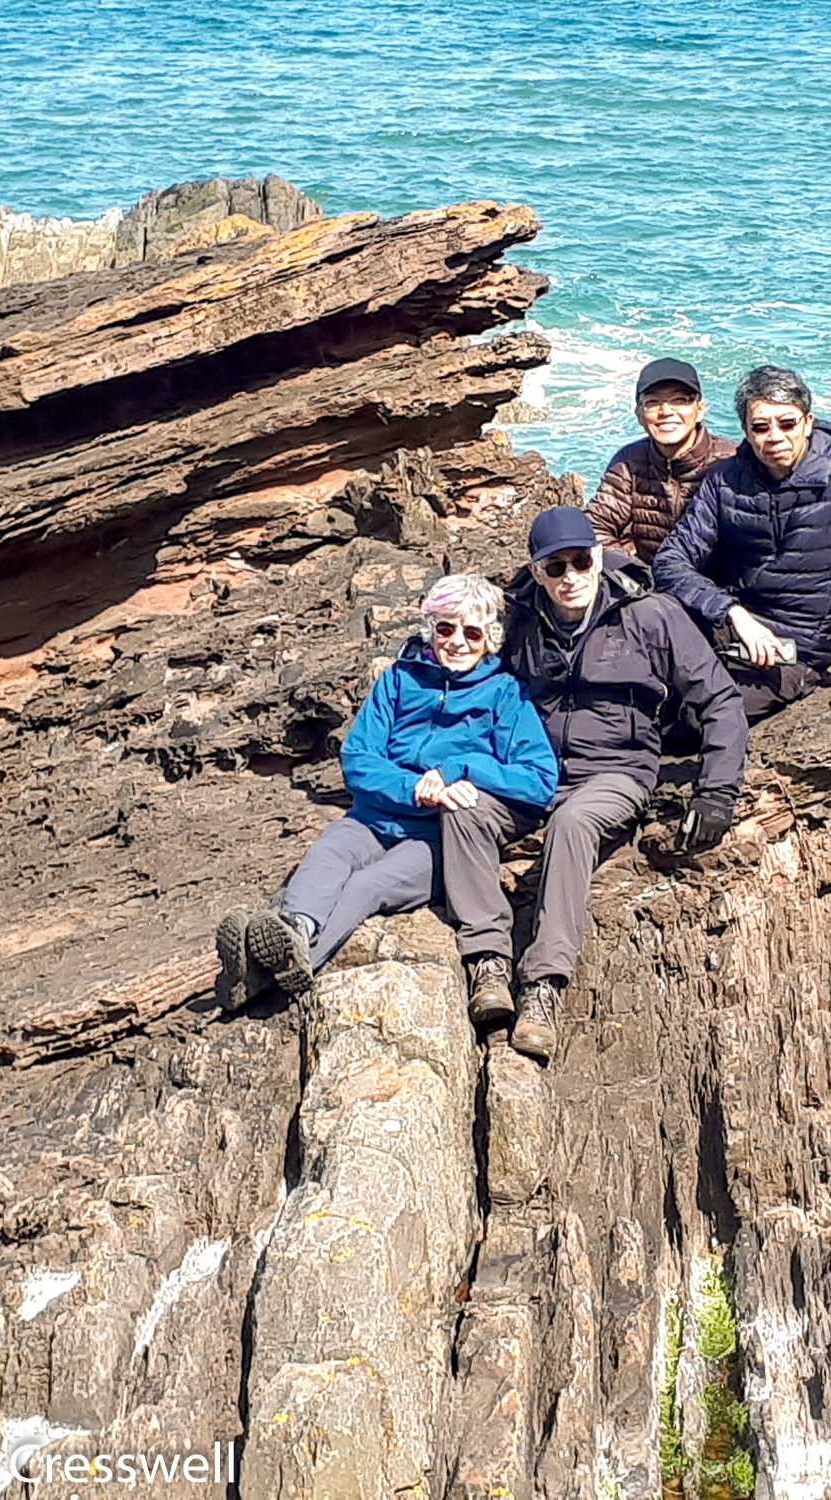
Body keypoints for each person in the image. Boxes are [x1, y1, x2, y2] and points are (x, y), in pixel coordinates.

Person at [441, 506, 748, 1062]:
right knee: (463, 813)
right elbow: (456, 666)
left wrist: (716, 791)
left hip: (617, 772)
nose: (570, 577)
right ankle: (487, 957)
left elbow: (720, 700)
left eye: (581, 562)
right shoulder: (515, 621)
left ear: (599, 559)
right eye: (554, 567)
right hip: (531, 772)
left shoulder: (650, 616)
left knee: (574, 822)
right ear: (536, 572)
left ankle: (543, 985)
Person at [216, 574, 557, 1005]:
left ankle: (275, 970)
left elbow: (538, 778)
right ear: (430, 628)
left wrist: (461, 769)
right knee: (331, 850)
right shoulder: (398, 680)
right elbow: (358, 760)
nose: (456, 641)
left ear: (489, 639)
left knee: (367, 887)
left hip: (437, 840)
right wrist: (414, 786)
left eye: (471, 632)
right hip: (375, 818)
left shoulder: (506, 694)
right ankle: (295, 930)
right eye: (445, 628)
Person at [653, 364, 831, 719]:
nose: (775, 436)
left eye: (787, 423)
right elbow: (670, 562)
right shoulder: (724, 480)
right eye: (760, 427)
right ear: (746, 432)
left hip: (793, 652)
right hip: (730, 629)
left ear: (808, 423)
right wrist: (732, 613)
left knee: (696, 715)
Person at [585, 357, 737, 560]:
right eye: (653, 402)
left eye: (679, 400)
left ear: (700, 410)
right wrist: (630, 566)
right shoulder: (628, 462)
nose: (666, 411)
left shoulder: (732, 460)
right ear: (639, 414)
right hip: (650, 583)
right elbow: (594, 526)